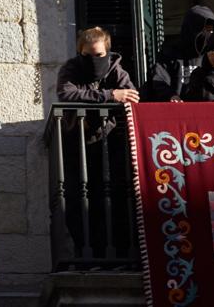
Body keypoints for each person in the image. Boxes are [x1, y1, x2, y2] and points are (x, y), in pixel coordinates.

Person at [54, 26, 137, 261]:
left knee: (111, 201)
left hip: (109, 146)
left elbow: (132, 95)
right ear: (80, 52)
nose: (94, 60)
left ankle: (112, 254)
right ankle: (84, 253)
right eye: (88, 55)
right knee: (77, 203)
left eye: (99, 55)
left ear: (107, 52)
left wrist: (115, 95)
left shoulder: (115, 69)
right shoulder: (70, 69)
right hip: (75, 146)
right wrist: (110, 96)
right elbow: (67, 94)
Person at [141, 5, 214, 102]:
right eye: (206, 29)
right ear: (194, 29)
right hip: (176, 112)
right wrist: (170, 96)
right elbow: (159, 79)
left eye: (213, 30)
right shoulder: (170, 53)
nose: (210, 34)